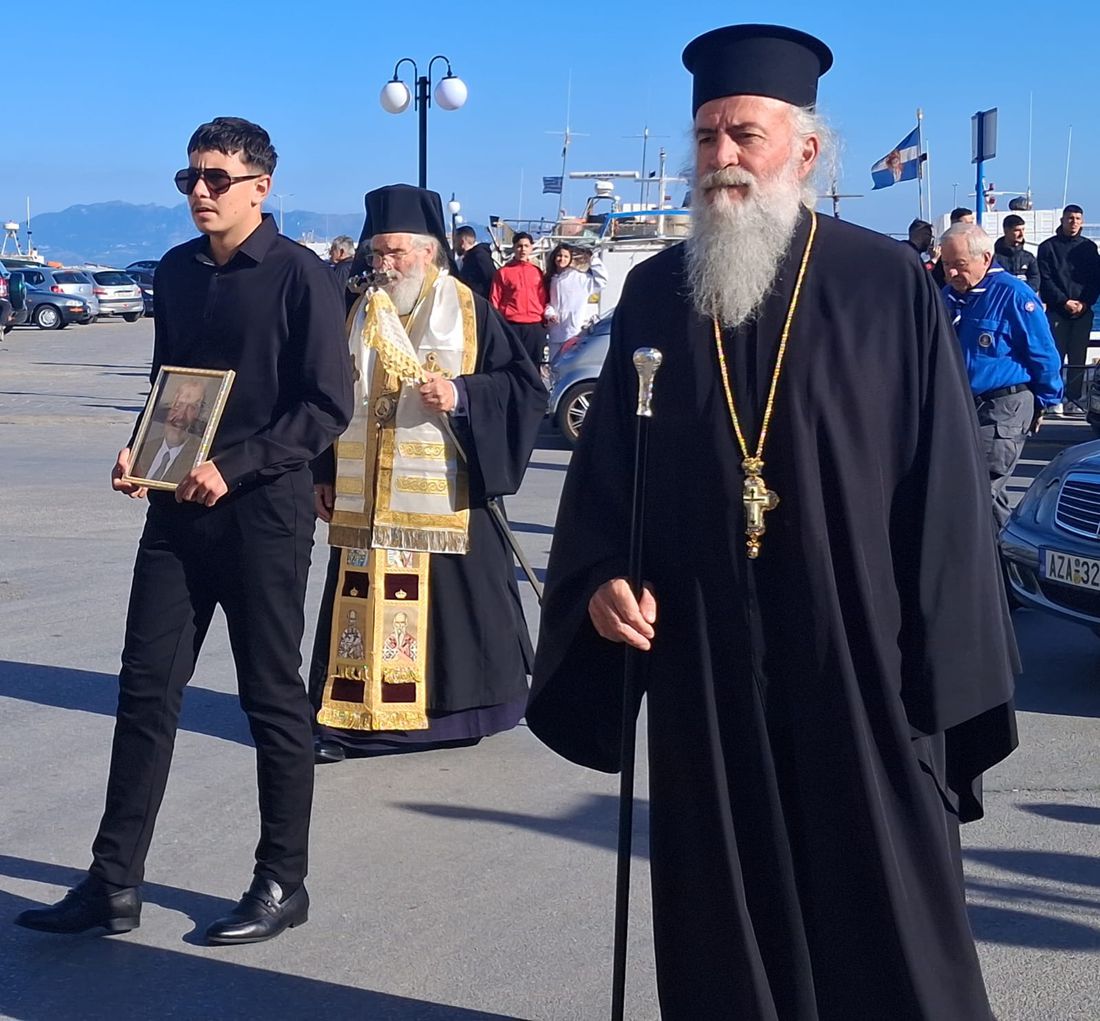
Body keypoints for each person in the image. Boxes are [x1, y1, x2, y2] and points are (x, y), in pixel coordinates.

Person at [527, 24, 1018, 1020]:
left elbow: (945, 492)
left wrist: (946, 674)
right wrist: (602, 580)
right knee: (726, 921)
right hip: (704, 659)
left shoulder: (885, 284)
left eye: (743, 133)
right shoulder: (656, 294)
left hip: (860, 657)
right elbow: (610, 475)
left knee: (888, 920)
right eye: (706, 135)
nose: (721, 157)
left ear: (807, 149)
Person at [14, 117, 354, 944]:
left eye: (216, 178)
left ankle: (282, 880)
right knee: (144, 691)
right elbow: (171, 387)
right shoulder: (174, 270)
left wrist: (235, 466)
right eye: (190, 177)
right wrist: (141, 448)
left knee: (271, 697)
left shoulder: (302, 276)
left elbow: (326, 405)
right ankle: (113, 882)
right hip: (176, 513)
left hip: (263, 516)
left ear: (260, 187)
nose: (200, 191)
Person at [308, 184, 546, 763]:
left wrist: (462, 394)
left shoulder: (468, 310)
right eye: (377, 252)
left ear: (428, 251)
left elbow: (523, 387)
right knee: (362, 602)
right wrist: (324, 469)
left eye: (395, 252)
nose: (384, 264)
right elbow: (329, 394)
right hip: (366, 495)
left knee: (454, 612)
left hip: (444, 493)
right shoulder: (358, 309)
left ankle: (458, 714)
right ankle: (356, 721)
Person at [940, 223, 1063, 526]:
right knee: (980, 494)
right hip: (963, 406)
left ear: (985, 258)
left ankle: (993, 553)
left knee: (977, 490)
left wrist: (1045, 401)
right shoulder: (948, 297)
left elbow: (1043, 354)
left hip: (1003, 407)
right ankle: (1002, 548)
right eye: (946, 265)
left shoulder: (1013, 295)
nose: (952, 273)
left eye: (959, 265)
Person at [1038, 204, 1100, 410]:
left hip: (1083, 311)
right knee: (1054, 356)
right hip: (1057, 311)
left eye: (1077, 219)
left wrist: (1085, 303)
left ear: (1082, 222)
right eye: (1070, 218)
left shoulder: (1089, 248)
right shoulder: (1047, 247)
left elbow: (1095, 279)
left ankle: (1074, 399)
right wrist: (1064, 301)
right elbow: (1045, 279)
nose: (1073, 222)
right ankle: (1054, 399)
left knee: (1078, 357)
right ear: (1062, 220)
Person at [130, 377, 206, 484]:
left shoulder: (199, 459)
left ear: (199, 415)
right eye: (177, 406)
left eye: (192, 408)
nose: (180, 416)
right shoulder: (144, 450)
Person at [490, 232, 548, 367]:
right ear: (514, 248)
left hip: (535, 325)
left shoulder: (537, 272)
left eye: (526, 246)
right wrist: (497, 324)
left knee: (534, 365)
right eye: (519, 246)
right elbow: (495, 299)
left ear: (531, 248)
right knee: (513, 365)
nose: (523, 249)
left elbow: (543, 297)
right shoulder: (503, 272)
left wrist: (544, 320)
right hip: (512, 325)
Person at [544, 243, 608, 362]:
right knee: (553, 365)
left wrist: (593, 259)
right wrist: (550, 313)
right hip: (555, 332)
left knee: (569, 364)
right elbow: (548, 303)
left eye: (565, 256)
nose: (562, 259)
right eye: (559, 256)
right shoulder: (551, 279)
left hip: (573, 332)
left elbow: (602, 281)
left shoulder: (580, 278)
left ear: (570, 259)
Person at [994, 214, 1040, 293]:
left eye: (1023, 230)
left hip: (1024, 297)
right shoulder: (994, 258)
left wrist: (1023, 292)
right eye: (1017, 230)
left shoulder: (1028, 257)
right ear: (1006, 231)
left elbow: (1035, 279)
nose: (1021, 234)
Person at [931, 207, 976, 287]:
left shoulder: (977, 244)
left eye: (971, 223)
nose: (970, 227)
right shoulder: (946, 247)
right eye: (966, 223)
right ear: (954, 223)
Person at [454, 224, 496, 299]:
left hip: (480, 301)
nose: (454, 246)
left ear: (462, 241)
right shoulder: (468, 259)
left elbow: (492, 278)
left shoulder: (479, 256)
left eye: (455, 242)